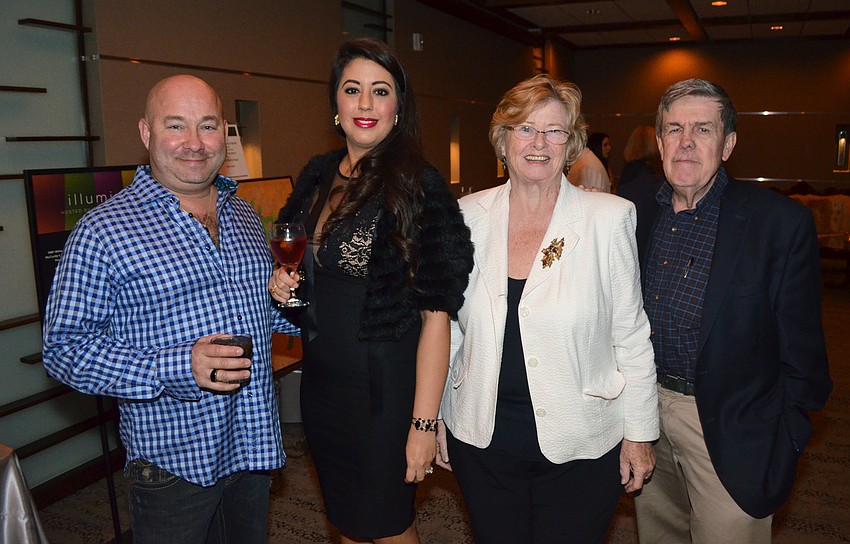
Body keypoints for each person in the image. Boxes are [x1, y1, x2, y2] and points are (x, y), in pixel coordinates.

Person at [41, 75, 299, 544]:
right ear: (146, 134)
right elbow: (63, 349)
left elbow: (265, 314)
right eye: (176, 126)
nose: (195, 144)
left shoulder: (241, 213)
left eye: (207, 126)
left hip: (253, 446)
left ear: (224, 131)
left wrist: (294, 300)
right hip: (173, 464)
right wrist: (178, 365)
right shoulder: (104, 231)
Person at [435, 74, 659, 543]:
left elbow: (631, 334)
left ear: (571, 143)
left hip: (581, 445)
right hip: (483, 440)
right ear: (503, 139)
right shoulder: (466, 216)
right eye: (525, 128)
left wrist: (640, 434)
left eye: (554, 130)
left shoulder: (608, 218)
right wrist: (437, 412)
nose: (539, 142)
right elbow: (450, 328)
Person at [270, 38, 473, 544]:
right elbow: (317, 295)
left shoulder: (418, 187)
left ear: (398, 107)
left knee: (387, 525)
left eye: (379, 91)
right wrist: (287, 291)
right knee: (346, 522)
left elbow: (435, 318)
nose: (364, 104)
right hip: (322, 390)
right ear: (335, 104)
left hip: (384, 396)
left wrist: (423, 425)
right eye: (352, 90)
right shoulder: (316, 179)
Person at [618, 78, 832, 543]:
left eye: (703, 129)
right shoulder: (629, 210)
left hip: (733, 425)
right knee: (658, 536)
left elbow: (805, 355)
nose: (687, 143)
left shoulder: (777, 223)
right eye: (674, 129)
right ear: (658, 142)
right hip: (642, 414)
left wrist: (785, 440)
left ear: (729, 143)